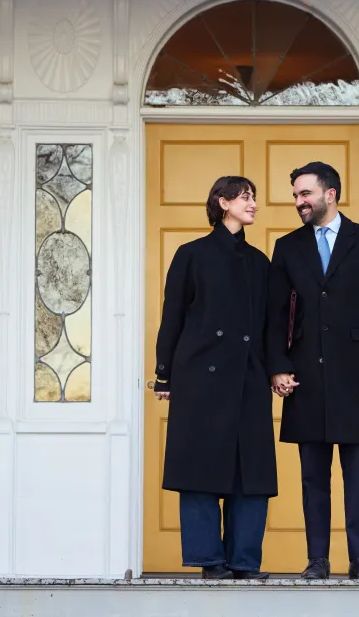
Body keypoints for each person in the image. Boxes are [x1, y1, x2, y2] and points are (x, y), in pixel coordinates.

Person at [266, 161, 359, 581]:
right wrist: (278, 366)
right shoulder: (287, 248)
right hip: (306, 378)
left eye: (305, 194)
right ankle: (317, 560)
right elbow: (274, 315)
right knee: (313, 479)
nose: (299, 202)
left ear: (330, 194)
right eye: (296, 196)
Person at [152, 176, 278, 580]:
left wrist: (277, 368)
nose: (253, 203)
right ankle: (211, 561)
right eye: (245, 197)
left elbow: (271, 326)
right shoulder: (192, 255)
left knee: (251, 473)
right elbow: (172, 318)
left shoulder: (260, 263)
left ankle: (244, 561)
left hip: (248, 379)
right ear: (223, 203)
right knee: (200, 471)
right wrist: (164, 374)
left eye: (254, 197)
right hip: (200, 380)